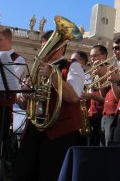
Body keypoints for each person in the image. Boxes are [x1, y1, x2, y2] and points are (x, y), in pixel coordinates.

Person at [13, 30, 85, 181]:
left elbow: (73, 96)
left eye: (49, 46)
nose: (44, 50)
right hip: (33, 127)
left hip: (59, 131)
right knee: (23, 172)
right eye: (43, 46)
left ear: (61, 48)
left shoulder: (73, 67)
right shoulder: (36, 69)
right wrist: (25, 94)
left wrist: (53, 75)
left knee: (50, 174)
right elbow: (21, 103)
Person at [82, 44, 108, 146]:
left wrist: (92, 96)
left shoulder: (110, 70)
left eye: (96, 56)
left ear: (104, 56)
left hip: (102, 115)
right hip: (91, 114)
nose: (92, 59)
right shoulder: (91, 72)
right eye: (91, 56)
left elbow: (106, 99)